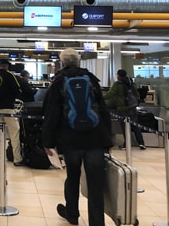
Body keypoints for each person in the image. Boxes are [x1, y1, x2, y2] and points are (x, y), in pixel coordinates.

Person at [42, 48, 112, 226]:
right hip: (94, 139)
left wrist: (48, 142)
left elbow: (51, 114)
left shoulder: (58, 82)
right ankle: (97, 222)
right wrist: (108, 139)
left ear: (62, 63)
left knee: (72, 177)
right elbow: (103, 110)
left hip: (70, 139)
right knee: (95, 183)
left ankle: (72, 213)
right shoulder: (91, 80)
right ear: (79, 61)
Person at [0, 58, 25, 166]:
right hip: (8, 107)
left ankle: (1, 158)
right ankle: (17, 159)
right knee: (14, 132)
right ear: (7, 66)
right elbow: (18, 90)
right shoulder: (10, 76)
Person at [104, 69, 145, 150]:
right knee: (136, 126)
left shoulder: (117, 84)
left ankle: (127, 144)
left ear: (118, 75)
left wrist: (101, 98)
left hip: (122, 108)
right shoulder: (131, 83)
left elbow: (111, 94)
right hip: (132, 108)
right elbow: (137, 95)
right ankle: (141, 143)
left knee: (125, 127)